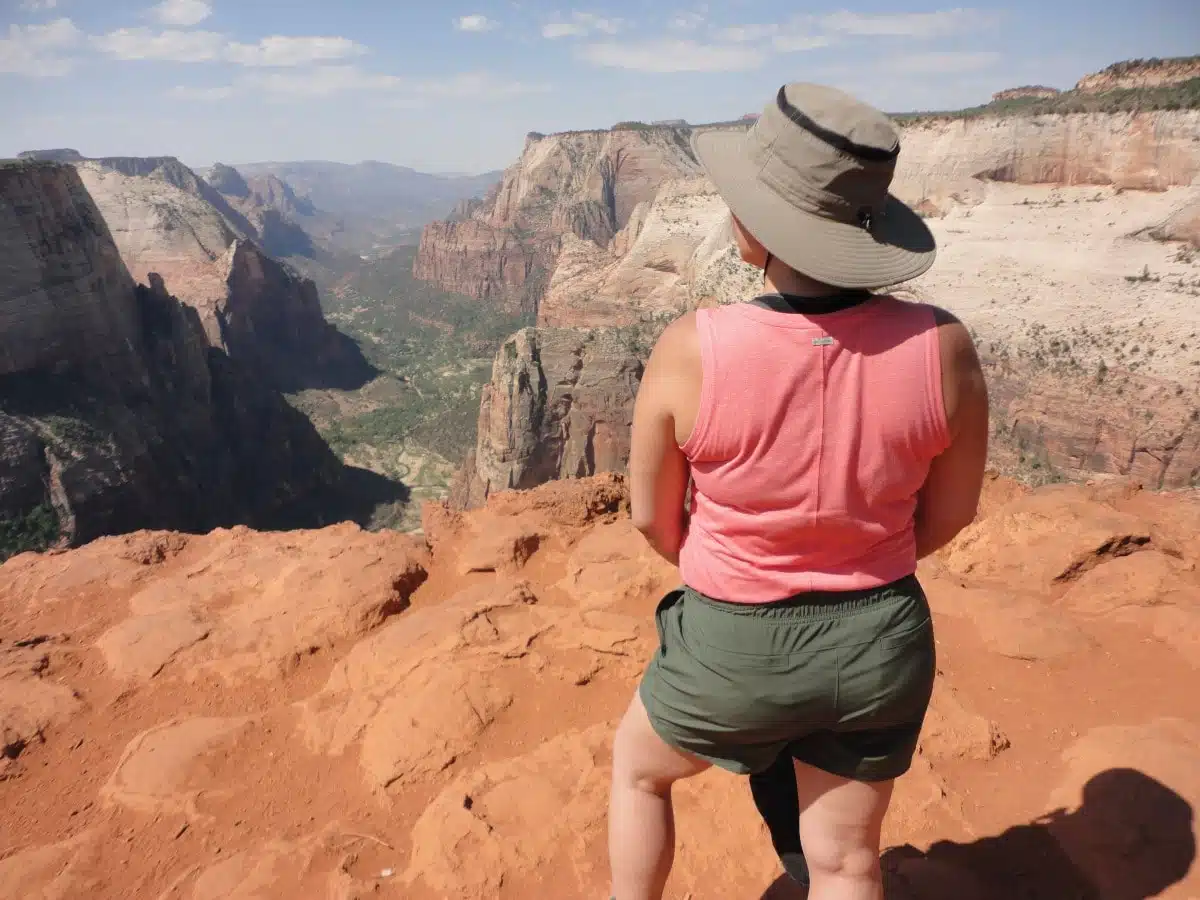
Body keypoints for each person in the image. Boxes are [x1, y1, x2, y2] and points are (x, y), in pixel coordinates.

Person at [606, 82, 990, 900]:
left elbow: (650, 516)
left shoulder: (691, 348)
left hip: (731, 644)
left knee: (639, 772)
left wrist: (729, 566)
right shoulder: (945, 347)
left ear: (754, 234)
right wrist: (860, 556)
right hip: (881, 645)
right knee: (846, 859)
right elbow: (953, 513)